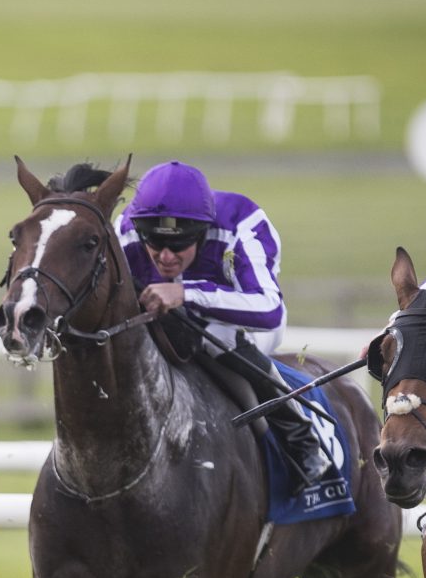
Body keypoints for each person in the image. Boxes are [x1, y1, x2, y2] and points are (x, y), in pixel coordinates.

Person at [117, 159, 332, 481]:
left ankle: (300, 438)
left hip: (241, 324)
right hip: (161, 324)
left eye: (178, 245)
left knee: (214, 332)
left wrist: (186, 293)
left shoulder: (242, 222)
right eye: (155, 243)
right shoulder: (126, 230)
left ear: (202, 233)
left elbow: (269, 311)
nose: (165, 256)